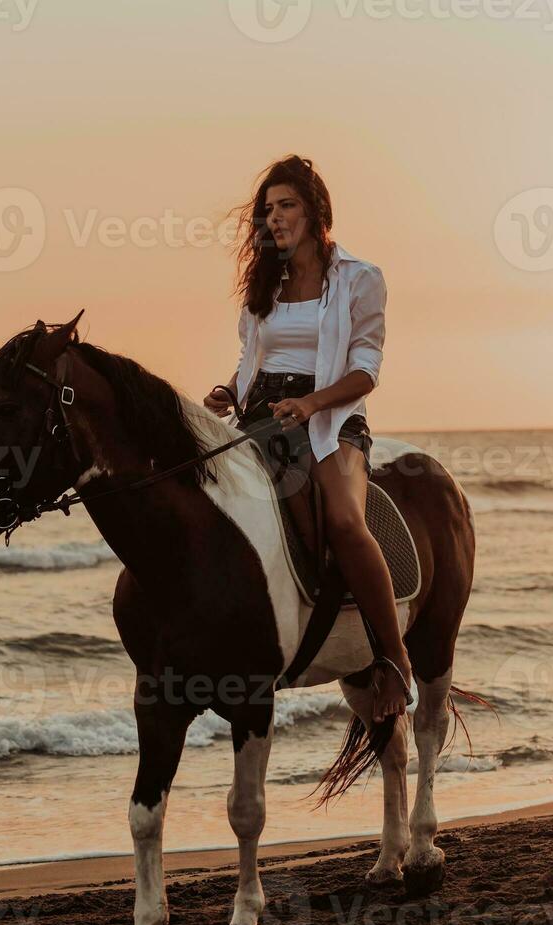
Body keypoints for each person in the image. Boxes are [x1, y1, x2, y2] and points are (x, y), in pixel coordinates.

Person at [202, 154, 413, 723]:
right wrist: (229, 390)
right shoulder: (263, 284)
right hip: (261, 416)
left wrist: (313, 404)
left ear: (316, 210)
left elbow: (367, 370)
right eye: (267, 209)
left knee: (345, 521)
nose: (274, 218)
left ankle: (395, 661)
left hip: (332, 420)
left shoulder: (359, 278)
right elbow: (254, 357)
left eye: (286, 205)